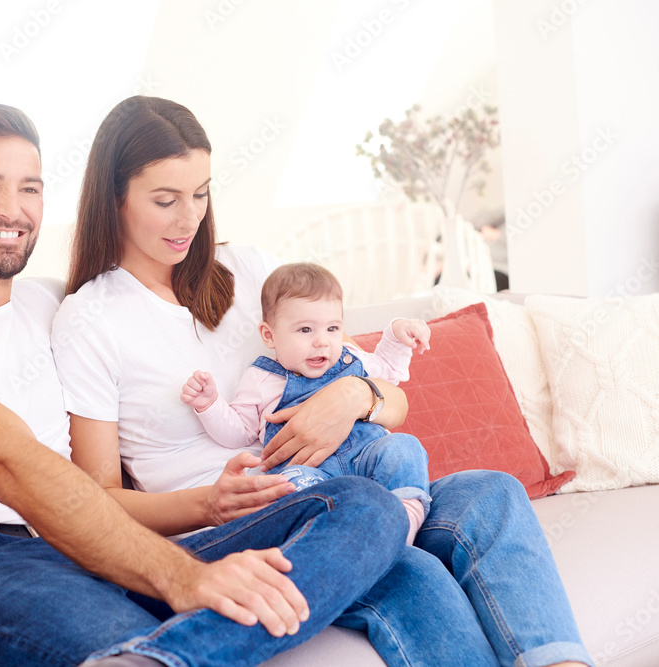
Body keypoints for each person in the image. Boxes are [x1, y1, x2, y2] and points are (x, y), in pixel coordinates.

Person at [0, 102, 412, 667]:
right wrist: (186, 576)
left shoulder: (49, 304)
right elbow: (6, 461)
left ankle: (170, 655)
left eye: (29, 188)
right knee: (128, 638)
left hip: (78, 550)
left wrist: (213, 501)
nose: (12, 208)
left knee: (363, 505)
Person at [52, 95, 593, 667]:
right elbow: (96, 506)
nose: (190, 219)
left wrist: (353, 396)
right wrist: (209, 503)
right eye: (165, 200)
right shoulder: (91, 319)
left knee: (493, 493)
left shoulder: (253, 270)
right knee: (401, 563)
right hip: (237, 520)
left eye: (201, 194)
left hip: (343, 483)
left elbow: (394, 401)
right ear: (115, 198)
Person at [180, 262, 432, 544]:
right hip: (313, 473)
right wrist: (209, 404)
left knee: (404, 448)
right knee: (288, 484)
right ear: (269, 335)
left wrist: (397, 334)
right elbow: (240, 431)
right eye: (305, 330)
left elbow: (387, 372)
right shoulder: (261, 379)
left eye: (333, 328)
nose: (321, 342)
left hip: (368, 458)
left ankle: (406, 516)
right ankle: (333, 537)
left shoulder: (349, 357)